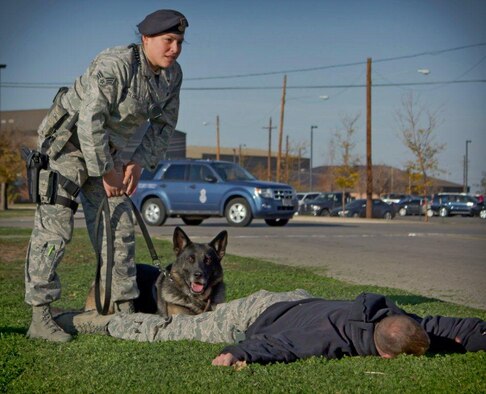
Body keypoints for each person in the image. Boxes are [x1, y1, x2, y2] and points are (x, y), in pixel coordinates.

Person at [25, 9, 189, 342]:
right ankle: (40, 317)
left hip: (107, 155)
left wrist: (138, 163)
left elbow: (164, 126)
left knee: (119, 227)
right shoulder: (115, 64)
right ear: (146, 39)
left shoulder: (172, 77)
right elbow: (89, 121)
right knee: (55, 230)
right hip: (66, 147)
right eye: (168, 41)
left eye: (180, 42)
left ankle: (123, 308)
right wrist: (107, 171)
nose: (174, 48)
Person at [55, 289, 486, 365]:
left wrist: (477, 336)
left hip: (297, 299)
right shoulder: (329, 340)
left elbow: (445, 328)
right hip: (258, 313)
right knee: (170, 329)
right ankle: (92, 322)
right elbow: (283, 344)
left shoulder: (384, 314)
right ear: (387, 356)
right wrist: (240, 353)